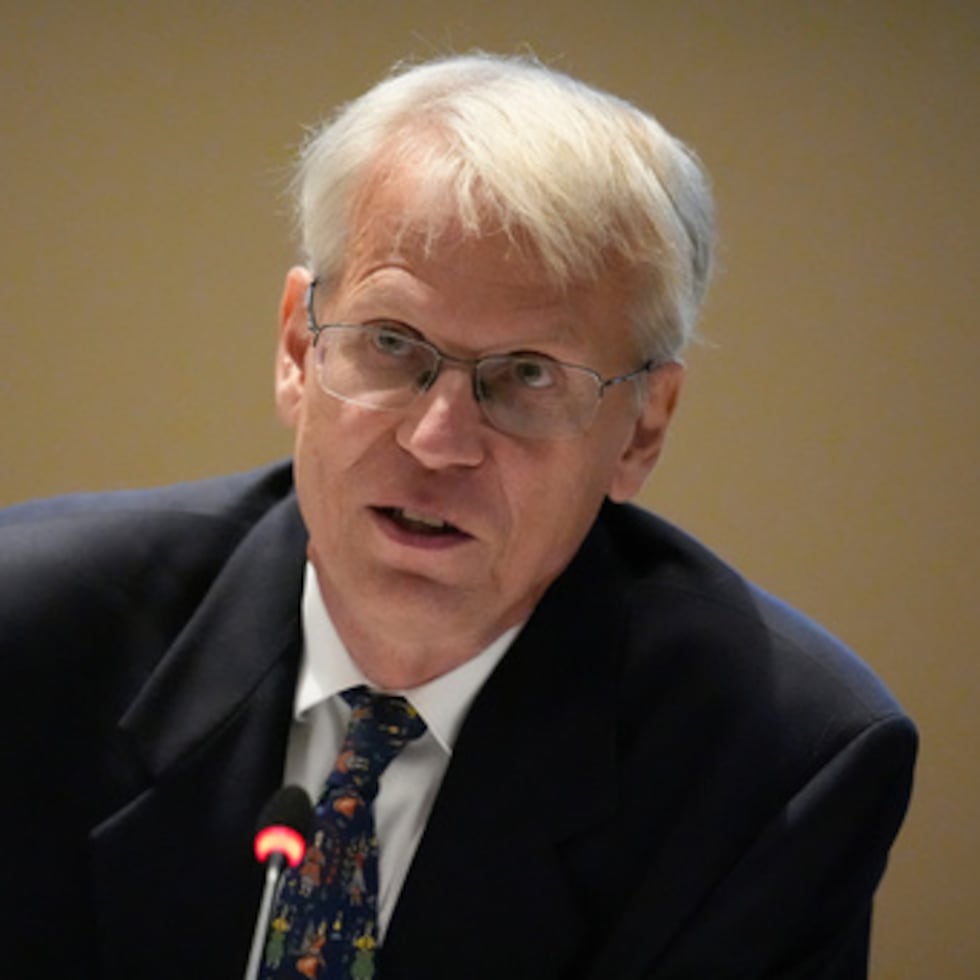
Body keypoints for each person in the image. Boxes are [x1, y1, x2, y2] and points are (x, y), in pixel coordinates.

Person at [0, 52, 916, 979]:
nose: (440, 439)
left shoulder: (775, 771)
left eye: (527, 375)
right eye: (393, 344)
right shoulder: (27, 636)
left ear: (643, 428)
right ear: (296, 347)